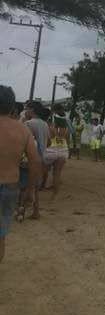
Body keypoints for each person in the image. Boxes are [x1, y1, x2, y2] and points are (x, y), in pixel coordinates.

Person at [1, 86, 41, 263]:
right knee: (0, 235)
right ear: (12, 107)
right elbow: (35, 161)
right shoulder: (23, 130)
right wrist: (30, 189)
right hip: (9, 187)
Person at [23, 102, 49, 217]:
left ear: (32, 110)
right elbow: (49, 141)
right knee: (35, 186)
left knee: (24, 185)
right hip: (42, 157)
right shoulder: (45, 124)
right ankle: (36, 211)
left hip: (30, 158)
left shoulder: (28, 123)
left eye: (26, 109)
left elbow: (24, 141)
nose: (25, 111)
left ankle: (21, 211)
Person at [46, 104, 70, 198]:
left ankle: (40, 187)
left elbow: (49, 139)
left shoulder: (51, 127)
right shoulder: (66, 129)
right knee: (57, 173)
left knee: (43, 170)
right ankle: (55, 194)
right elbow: (68, 141)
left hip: (51, 150)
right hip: (63, 150)